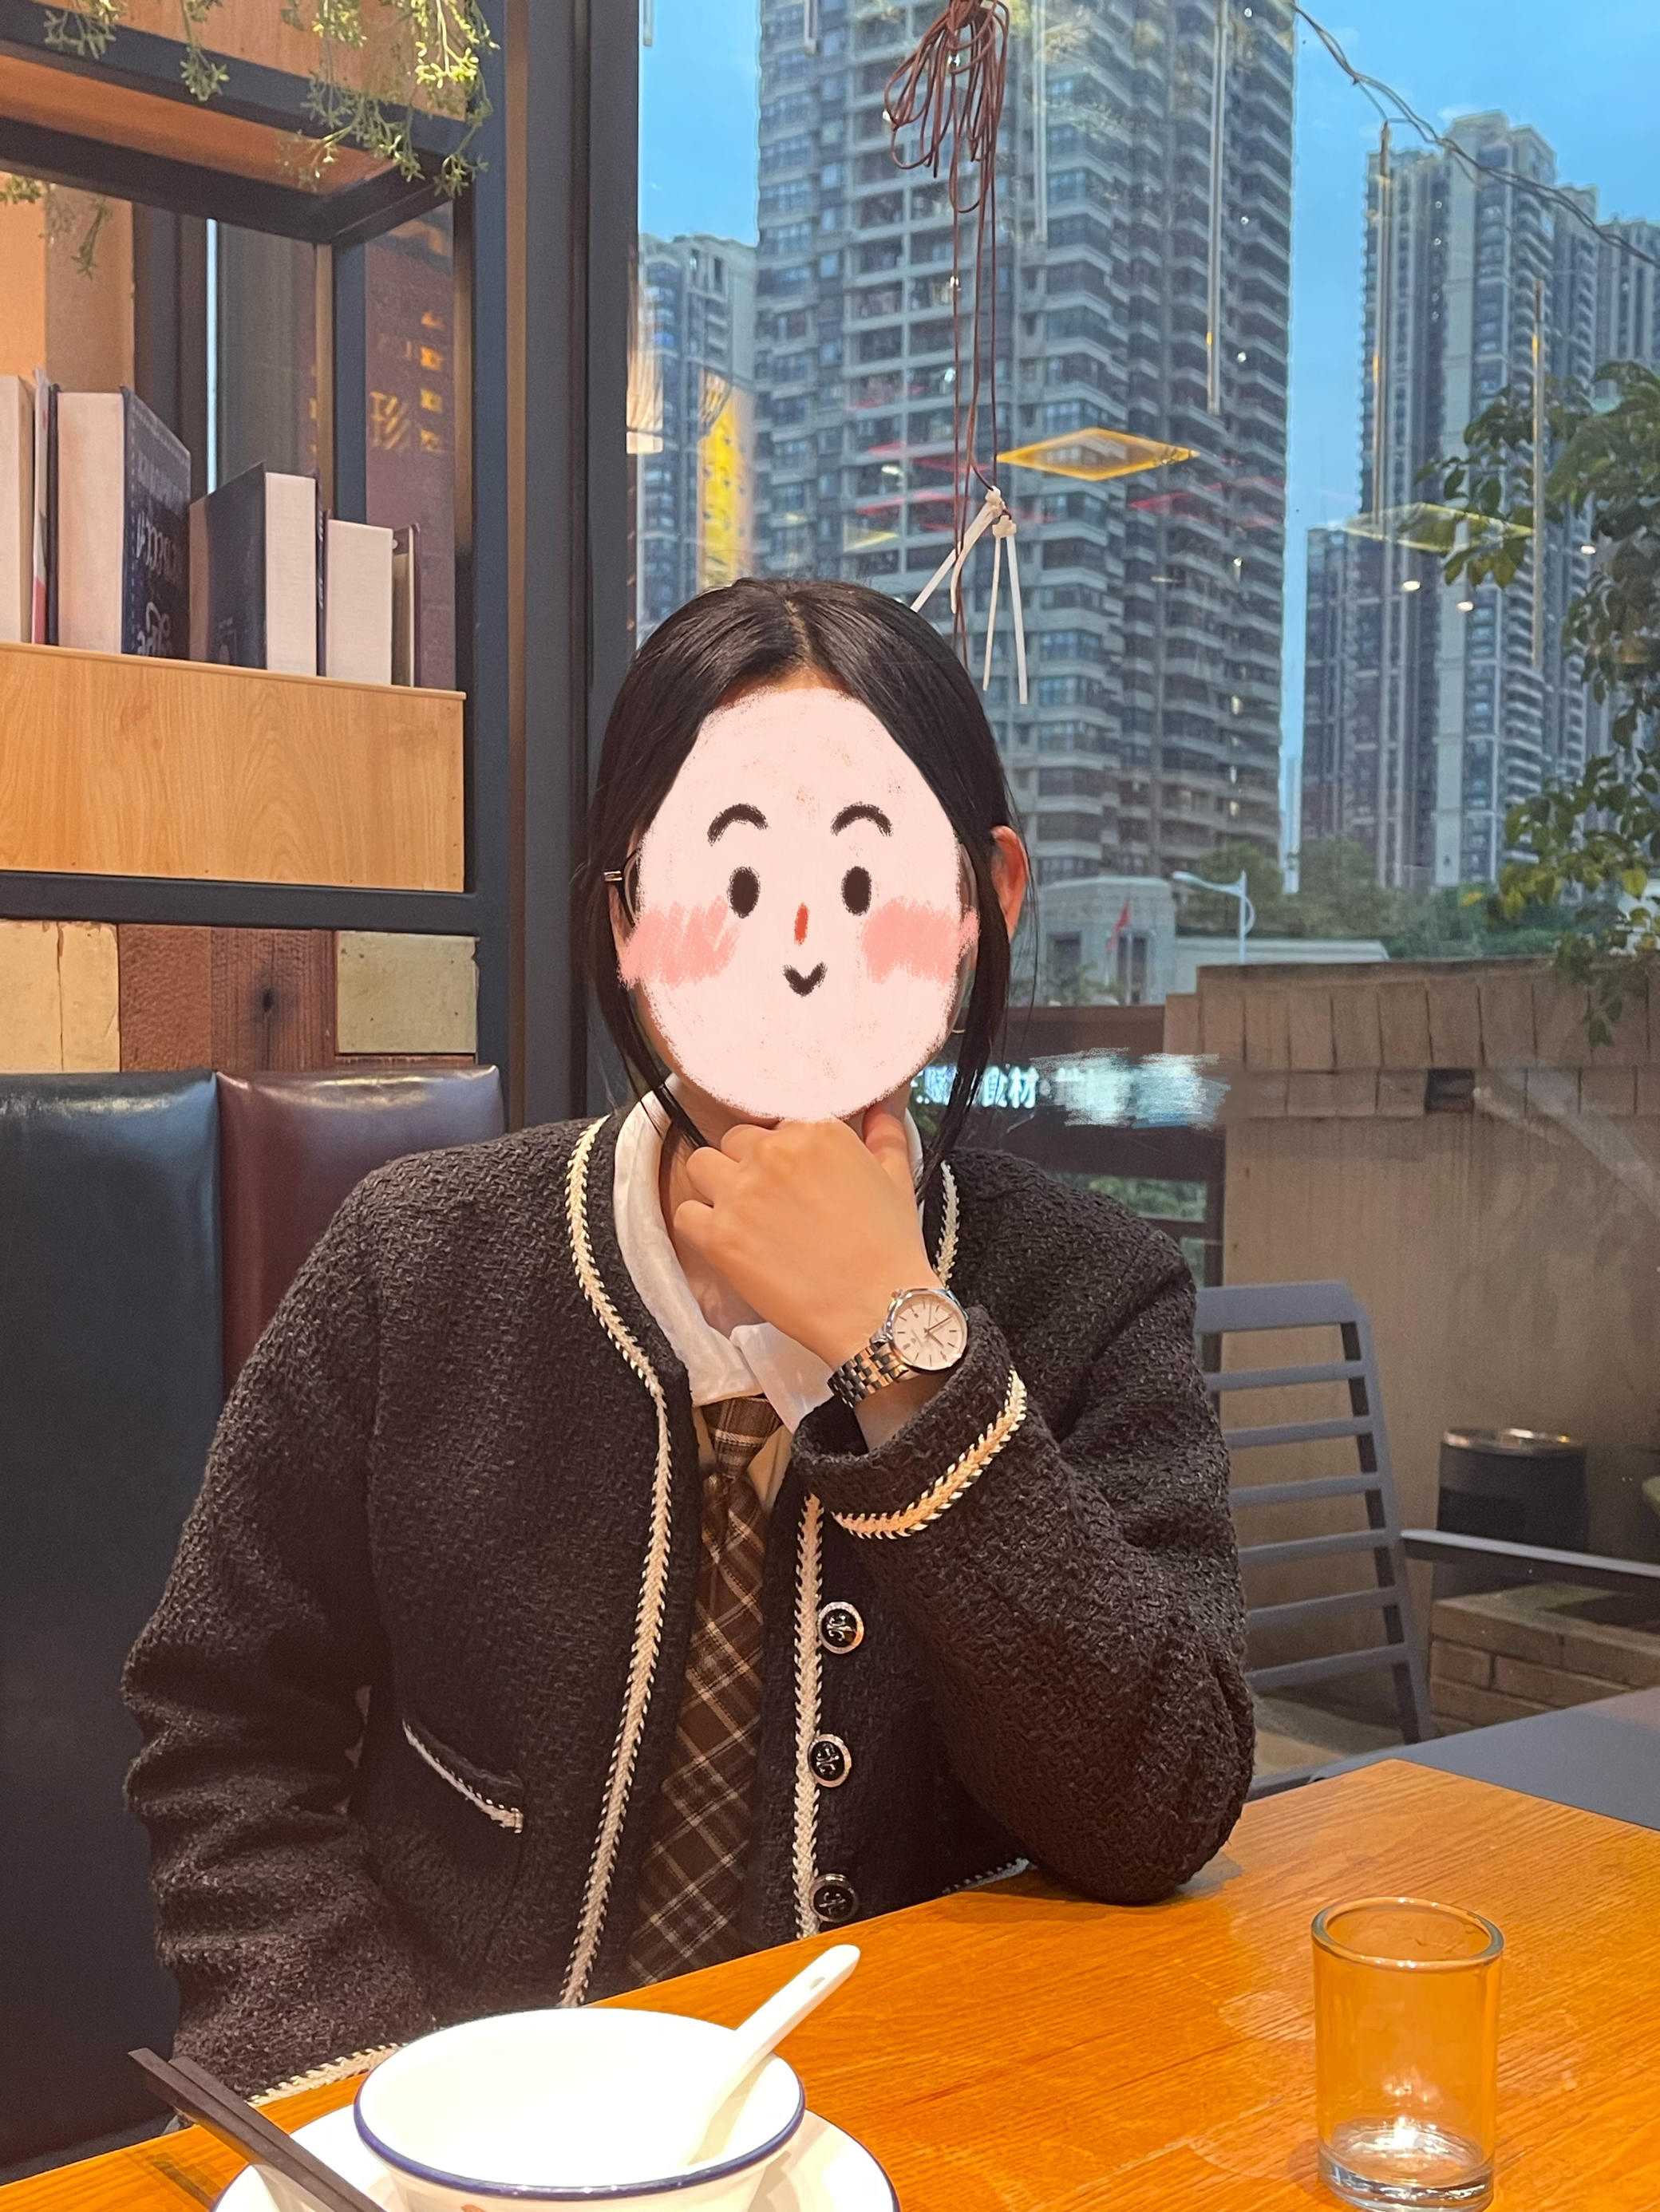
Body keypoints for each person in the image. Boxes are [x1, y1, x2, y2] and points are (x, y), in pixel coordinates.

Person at [124, 577, 1253, 2103]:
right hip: (462, 2137)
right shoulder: (418, 1260)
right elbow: (223, 1720)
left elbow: (1162, 1806)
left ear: (985, 899)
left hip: (915, 2126)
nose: (801, 955)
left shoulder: (1096, 1292)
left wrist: (903, 1350)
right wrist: (365, 2092)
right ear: (627, 918)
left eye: (865, 879)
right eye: (731, 883)